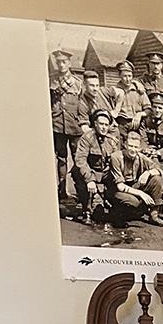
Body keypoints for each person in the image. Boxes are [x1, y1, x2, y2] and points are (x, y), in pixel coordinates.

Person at [105, 129, 163, 233]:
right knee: (134, 202)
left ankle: (154, 215)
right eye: (130, 146)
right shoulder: (116, 157)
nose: (133, 150)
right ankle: (117, 213)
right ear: (125, 145)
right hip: (116, 190)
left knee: (156, 179)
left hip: (133, 186)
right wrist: (141, 193)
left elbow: (158, 168)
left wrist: (148, 173)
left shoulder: (139, 157)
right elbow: (120, 186)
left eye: (136, 147)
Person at [49, 49, 87, 200]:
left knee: (78, 158)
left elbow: (83, 105)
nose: (61, 65)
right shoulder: (51, 80)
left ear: (69, 63)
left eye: (64, 62)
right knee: (61, 159)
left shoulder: (78, 83)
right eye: (59, 62)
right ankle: (62, 191)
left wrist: (84, 123)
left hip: (74, 126)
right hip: (57, 125)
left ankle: (81, 191)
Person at [73, 108, 120, 223]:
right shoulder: (87, 138)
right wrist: (90, 179)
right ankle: (86, 210)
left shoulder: (112, 140)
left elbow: (116, 161)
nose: (104, 127)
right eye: (101, 124)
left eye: (106, 125)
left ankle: (108, 203)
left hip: (104, 173)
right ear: (95, 124)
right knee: (79, 175)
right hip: (90, 171)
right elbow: (80, 160)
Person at [108, 61, 149, 135]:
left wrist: (139, 114)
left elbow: (148, 110)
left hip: (138, 124)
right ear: (119, 75)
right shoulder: (114, 91)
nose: (127, 79)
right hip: (121, 125)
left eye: (129, 76)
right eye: (125, 76)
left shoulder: (139, 90)